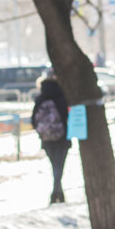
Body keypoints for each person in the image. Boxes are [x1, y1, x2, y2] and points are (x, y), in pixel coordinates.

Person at [31, 76, 71, 204]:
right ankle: (56, 192)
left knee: (54, 165)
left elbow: (33, 120)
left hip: (46, 139)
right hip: (62, 138)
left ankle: (57, 192)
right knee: (59, 165)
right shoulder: (62, 98)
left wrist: (42, 132)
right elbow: (67, 117)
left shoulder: (40, 99)